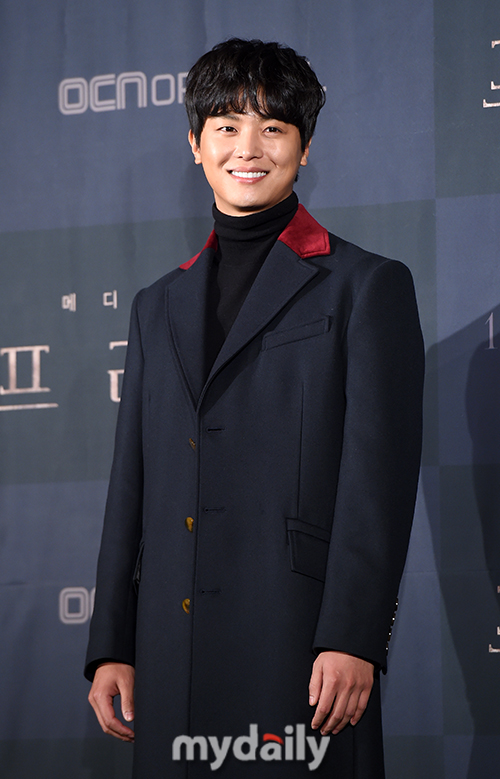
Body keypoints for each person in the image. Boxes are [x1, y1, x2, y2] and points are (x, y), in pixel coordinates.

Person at [85, 38, 424, 778]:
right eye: (227, 125)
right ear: (196, 144)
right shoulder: (155, 306)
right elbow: (131, 484)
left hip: (298, 644)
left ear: (303, 150)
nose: (248, 147)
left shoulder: (365, 285)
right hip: (170, 651)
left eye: (273, 128)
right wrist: (112, 641)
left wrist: (354, 636)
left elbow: (380, 482)